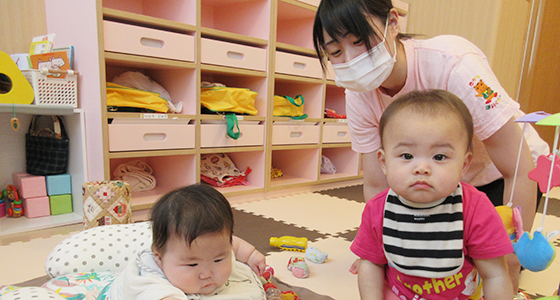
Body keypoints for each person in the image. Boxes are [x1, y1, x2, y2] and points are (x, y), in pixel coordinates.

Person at [312, 0, 549, 291]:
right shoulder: (358, 95)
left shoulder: (453, 63)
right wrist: (382, 245)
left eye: (360, 40)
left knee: (480, 273)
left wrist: (512, 260)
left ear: (394, 22)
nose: (350, 58)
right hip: (433, 185)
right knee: (422, 274)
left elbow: (519, 167)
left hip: (500, 178)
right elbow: (377, 184)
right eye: (335, 52)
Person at [351, 89, 513, 300]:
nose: (422, 168)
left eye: (439, 156)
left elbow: (495, 275)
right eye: (407, 155)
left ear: (463, 165)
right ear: (384, 162)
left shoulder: (475, 208)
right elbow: (371, 264)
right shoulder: (378, 209)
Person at [107, 184, 267, 300]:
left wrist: (251, 255)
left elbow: (234, 245)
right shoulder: (151, 280)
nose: (207, 274)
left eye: (218, 260)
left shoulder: (214, 249)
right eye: (192, 265)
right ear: (159, 257)